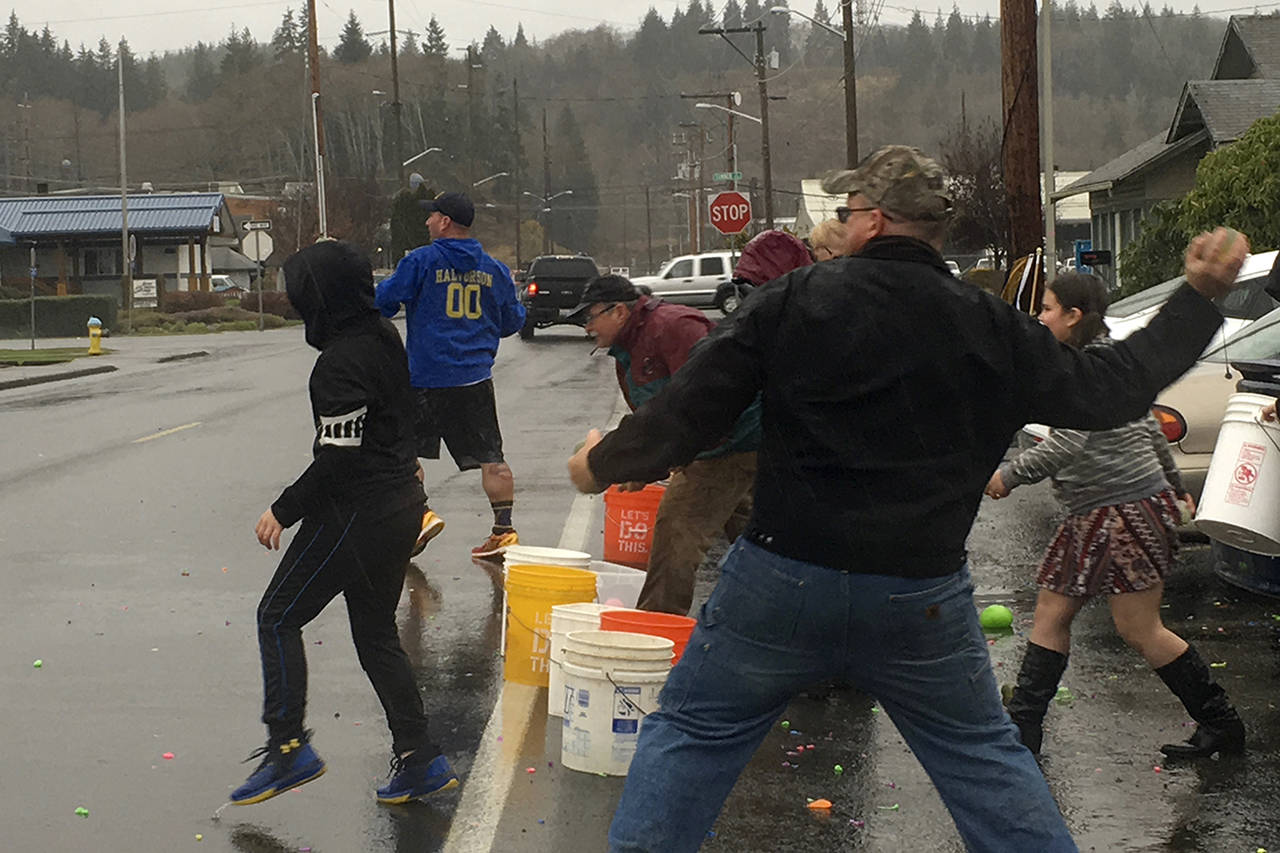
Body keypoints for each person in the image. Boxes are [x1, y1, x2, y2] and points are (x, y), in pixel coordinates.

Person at [566, 144, 1248, 853]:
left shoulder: (794, 302)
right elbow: (1112, 388)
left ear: (872, 220)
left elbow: (687, 412)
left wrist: (600, 464)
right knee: (984, 757)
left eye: (847, 211)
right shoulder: (989, 325)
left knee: (695, 731)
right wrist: (1198, 299)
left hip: (782, 578)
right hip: (921, 593)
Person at [232, 240, 456, 807]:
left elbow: (339, 458)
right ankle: (420, 758)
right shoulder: (382, 337)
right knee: (376, 633)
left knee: (276, 616)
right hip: (400, 503)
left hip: (357, 513)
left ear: (319, 297)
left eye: (300, 292)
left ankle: (287, 749)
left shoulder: (339, 362)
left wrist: (283, 509)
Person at [987, 273, 1245, 759]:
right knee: (1054, 614)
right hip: (1109, 511)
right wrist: (1173, 490)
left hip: (1118, 514)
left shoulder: (1087, 368)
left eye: (1047, 308)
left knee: (1137, 628)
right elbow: (1151, 431)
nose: (1040, 318)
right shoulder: (1110, 364)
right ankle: (1023, 732)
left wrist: (1008, 476)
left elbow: (1068, 440)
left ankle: (1222, 725)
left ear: (1073, 316)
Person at [567, 269, 769, 615]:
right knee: (761, 542)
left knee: (676, 532)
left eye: (590, 316)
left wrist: (614, 461)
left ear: (619, 311)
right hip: (715, 447)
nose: (587, 327)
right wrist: (648, 463)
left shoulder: (672, 327)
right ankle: (780, 618)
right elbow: (659, 417)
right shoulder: (627, 348)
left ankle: (655, 630)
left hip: (730, 445)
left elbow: (704, 402)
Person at [375, 192, 527, 560]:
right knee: (492, 456)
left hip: (425, 376)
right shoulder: (494, 269)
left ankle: (420, 516)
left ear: (444, 222)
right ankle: (504, 530)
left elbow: (383, 301)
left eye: (432, 216)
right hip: (474, 378)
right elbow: (513, 322)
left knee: (405, 454)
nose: (427, 222)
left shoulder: (421, 262)